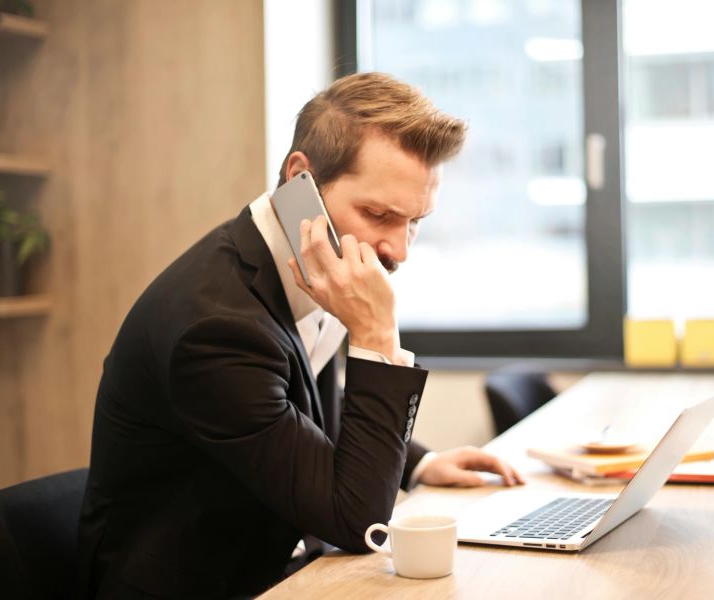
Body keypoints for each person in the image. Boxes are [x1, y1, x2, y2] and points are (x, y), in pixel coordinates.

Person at [75, 72, 523, 599]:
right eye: (378, 214)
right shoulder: (216, 329)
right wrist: (376, 333)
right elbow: (358, 522)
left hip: (280, 565)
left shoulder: (312, 259)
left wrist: (417, 462)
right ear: (299, 181)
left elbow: (303, 400)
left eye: (415, 221)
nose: (398, 250)